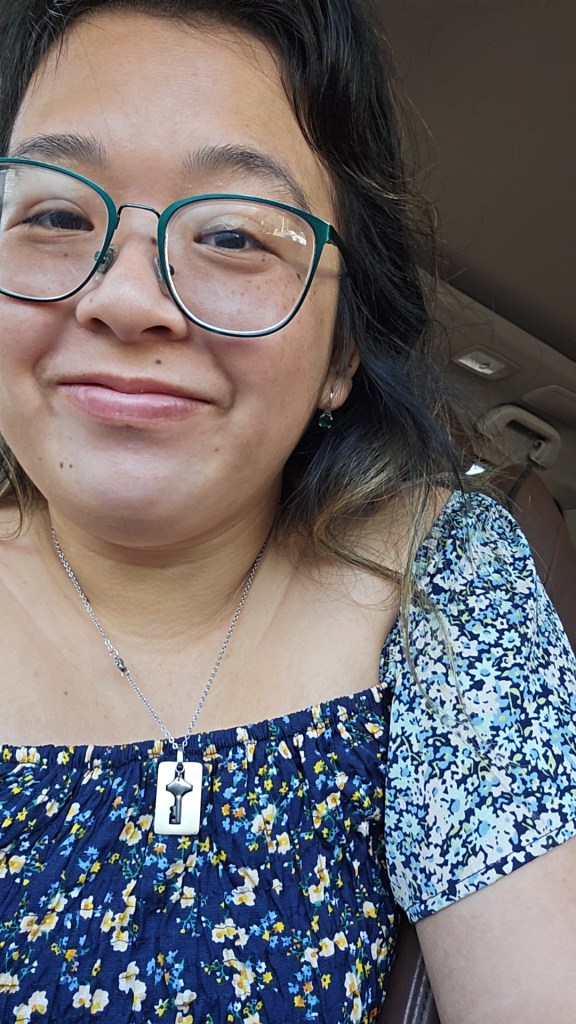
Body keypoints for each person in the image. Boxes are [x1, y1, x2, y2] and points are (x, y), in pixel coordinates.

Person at [0, 0, 574, 1021]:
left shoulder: (437, 581)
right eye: (53, 216)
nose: (126, 299)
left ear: (342, 352)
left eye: (230, 233)